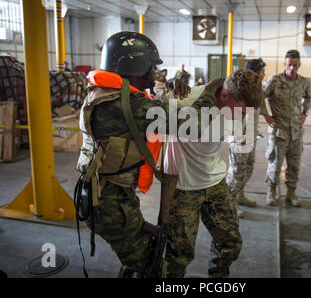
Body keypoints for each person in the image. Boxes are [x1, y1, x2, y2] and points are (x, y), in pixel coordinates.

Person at [76, 31, 223, 278]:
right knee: (152, 268)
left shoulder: (105, 93)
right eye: (150, 67)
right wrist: (210, 90)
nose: (153, 73)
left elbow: (147, 106)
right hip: (110, 204)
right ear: (133, 66)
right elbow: (191, 125)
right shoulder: (130, 104)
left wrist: (170, 86)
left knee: (140, 259)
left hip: (102, 196)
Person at [163, 69, 263, 278]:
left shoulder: (239, 110)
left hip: (215, 182)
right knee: (179, 255)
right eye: (242, 112)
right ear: (224, 95)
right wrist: (168, 86)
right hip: (184, 187)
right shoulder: (187, 98)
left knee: (231, 243)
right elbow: (153, 100)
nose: (244, 118)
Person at [261, 50, 311, 207]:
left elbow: (309, 98)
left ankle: (291, 193)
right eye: (289, 65)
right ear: (284, 64)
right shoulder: (274, 81)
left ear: (299, 65)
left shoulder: (303, 82)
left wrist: (305, 112)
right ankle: (271, 192)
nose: (292, 68)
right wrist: (267, 117)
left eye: (295, 65)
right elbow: (259, 97)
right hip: (279, 132)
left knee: (294, 165)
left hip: (296, 133)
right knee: (275, 165)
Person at [226, 58, 266, 218]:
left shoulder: (257, 89)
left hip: (251, 137)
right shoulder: (239, 89)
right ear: (254, 74)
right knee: (237, 173)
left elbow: (260, 108)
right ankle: (229, 203)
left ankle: (239, 196)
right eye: (262, 72)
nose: (264, 75)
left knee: (248, 169)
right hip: (239, 139)